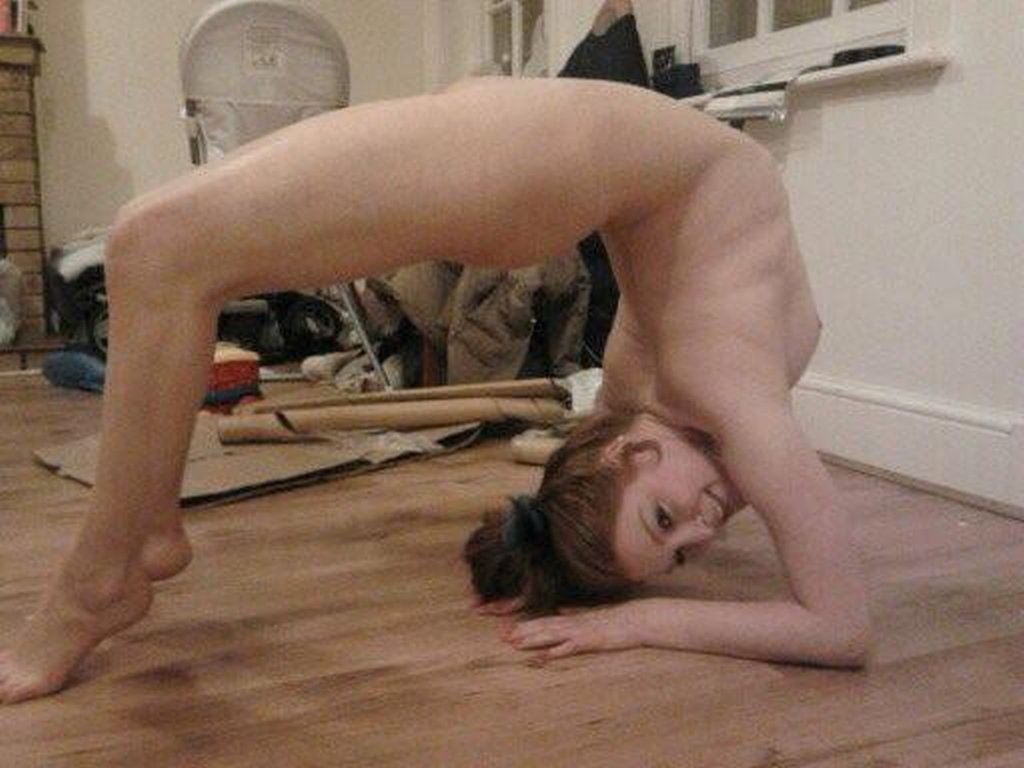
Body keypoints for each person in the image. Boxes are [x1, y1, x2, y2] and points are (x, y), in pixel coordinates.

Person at [0, 74, 870, 704]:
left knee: (155, 246)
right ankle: (123, 553)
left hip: (556, 157)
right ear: (626, 451)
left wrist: (591, 590)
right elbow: (841, 629)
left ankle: (107, 566)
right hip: (549, 155)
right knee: (155, 246)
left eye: (672, 541)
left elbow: (606, 442)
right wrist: (627, 612)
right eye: (669, 526)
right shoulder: (730, 399)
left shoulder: (672, 401)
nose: (706, 528)